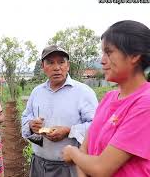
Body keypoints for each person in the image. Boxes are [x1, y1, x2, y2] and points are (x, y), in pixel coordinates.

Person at [62, 20, 150, 177]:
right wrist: (80, 156)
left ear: (135, 55)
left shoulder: (145, 103)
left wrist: (72, 153)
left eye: (109, 53)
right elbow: (86, 150)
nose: (102, 60)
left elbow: (101, 168)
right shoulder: (109, 98)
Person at [21, 45, 98, 177]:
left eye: (61, 62)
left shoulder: (83, 92)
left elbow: (96, 126)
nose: (57, 67)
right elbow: (25, 116)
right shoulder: (37, 92)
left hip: (69, 166)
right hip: (38, 164)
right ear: (43, 66)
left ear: (68, 66)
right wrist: (30, 124)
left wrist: (69, 131)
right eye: (50, 62)